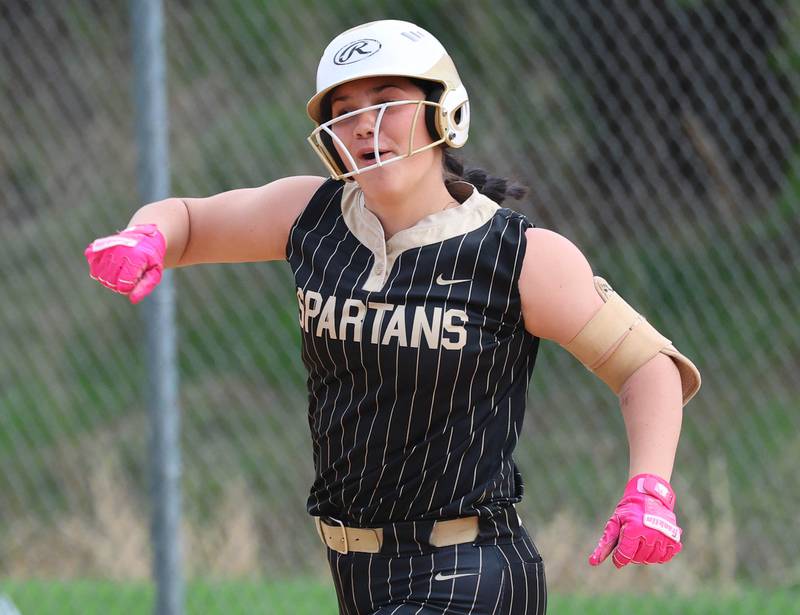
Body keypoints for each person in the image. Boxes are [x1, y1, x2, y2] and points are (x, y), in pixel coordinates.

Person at [84, 19, 701, 615]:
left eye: (387, 101)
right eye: (345, 110)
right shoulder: (313, 214)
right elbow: (188, 221)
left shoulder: (517, 255)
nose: (363, 124)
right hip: (357, 575)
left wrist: (650, 487)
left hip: (472, 571)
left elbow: (648, 365)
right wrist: (147, 240)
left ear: (444, 111)